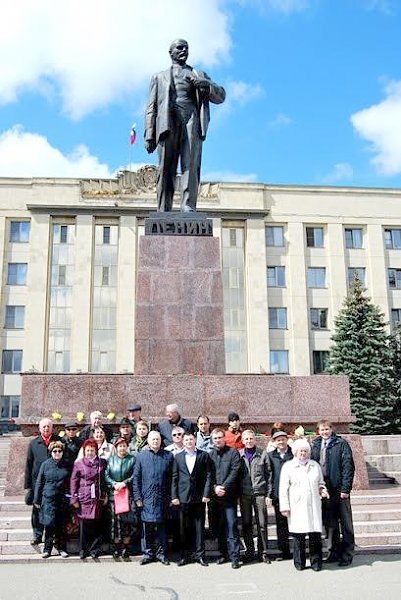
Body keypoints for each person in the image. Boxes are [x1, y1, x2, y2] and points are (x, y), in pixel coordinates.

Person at [144, 38, 226, 212]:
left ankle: (188, 206)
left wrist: (208, 86)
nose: (184, 51)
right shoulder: (159, 77)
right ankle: (163, 208)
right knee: (166, 167)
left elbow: (221, 96)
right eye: (179, 48)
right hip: (167, 122)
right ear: (171, 52)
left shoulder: (199, 74)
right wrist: (149, 135)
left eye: (186, 48)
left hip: (191, 120)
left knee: (191, 164)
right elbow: (151, 107)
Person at [279, 438, 329, 572]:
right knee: (298, 536)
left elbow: (320, 482)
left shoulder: (315, 465)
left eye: (306, 451)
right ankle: (299, 562)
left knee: (315, 536)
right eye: (301, 451)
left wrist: (322, 489)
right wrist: (284, 506)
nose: (303, 453)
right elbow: (283, 488)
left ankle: (316, 562)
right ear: (295, 452)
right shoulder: (288, 466)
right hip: (297, 506)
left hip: (313, 504)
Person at [311, 420, 355, 567]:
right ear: (318, 431)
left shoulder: (340, 444)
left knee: (346, 524)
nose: (325, 432)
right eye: (322, 430)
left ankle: (347, 555)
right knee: (330, 524)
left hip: (339, 490)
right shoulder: (315, 444)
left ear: (331, 429)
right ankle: (333, 552)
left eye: (327, 429)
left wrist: (345, 489)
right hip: (325, 491)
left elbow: (348, 466)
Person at [171, 432, 213, 567]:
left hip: (199, 497)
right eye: (186, 440)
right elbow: (175, 478)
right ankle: (185, 555)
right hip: (183, 497)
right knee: (184, 528)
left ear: (195, 440)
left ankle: (200, 555)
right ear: (183, 442)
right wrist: (174, 496)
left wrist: (206, 494)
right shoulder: (178, 457)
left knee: (199, 527)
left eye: (191, 439)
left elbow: (208, 476)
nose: (189, 441)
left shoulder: (203, 455)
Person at [133, 431, 174, 565]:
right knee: (147, 527)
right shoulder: (141, 456)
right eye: (153, 439)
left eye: (157, 439)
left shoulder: (168, 456)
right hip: (146, 497)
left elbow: (173, 478)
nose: (155, 441)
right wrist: (138, 497)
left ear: (161, 441)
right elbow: (136, 478)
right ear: (148, 441)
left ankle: (162, 554)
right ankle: (148, 553)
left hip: (163, 497)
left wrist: (172, 497)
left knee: (162, 527)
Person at [209, 427, 241, 569]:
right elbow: (208, 474)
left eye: (220, 438)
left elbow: (235, 471)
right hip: (215, 497)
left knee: (232, 526)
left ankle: (235, 557)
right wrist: (215, 487)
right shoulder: (209, 455)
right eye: (215, 438)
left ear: (224, 438)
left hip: (229, 496)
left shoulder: (233, 453)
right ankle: (223, 554)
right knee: (219, 527)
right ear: (212, 440)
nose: (217, 440)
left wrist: (224, 487)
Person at [70, 439, 107, 559]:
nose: (90, 452)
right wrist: (74, 499)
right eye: (88, 450)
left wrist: (105, 494)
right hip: (84, 496)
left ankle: (95, 549)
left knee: (97, 523)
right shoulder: (79, 463)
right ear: (84, 451)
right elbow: (73, 481)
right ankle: (83, 549)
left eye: (92, 450)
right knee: (84, 523)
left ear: (96, 451)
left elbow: (105, 480)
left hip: (97, 496)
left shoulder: (102, 462)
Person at [24, 417, 58, 545]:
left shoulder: (57, 441)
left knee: (51, 510)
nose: (46, 428)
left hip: (52, 483)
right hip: (37, 483)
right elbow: (29, 464)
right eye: (44, 426)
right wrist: (28, 485)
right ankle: (37, 535)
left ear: (52, 428)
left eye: (48, 426)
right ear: (39, 429)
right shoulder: (34, 443)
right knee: (37, 509)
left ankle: (52, 537)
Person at [239, 429, 271, 563]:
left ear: (255, 439)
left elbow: (269, 475)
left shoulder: (262, 454)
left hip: (260, 493)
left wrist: (269, 494)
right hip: (245, 494)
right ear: (242, 441)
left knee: (262, 524)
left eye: (251, 438)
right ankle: (250, 551)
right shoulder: (239, 455)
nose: (249, 441)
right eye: (246, 439)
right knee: (247, 524)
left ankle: (263, 552)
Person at [33, 440, 70, 558]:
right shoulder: (45, 464)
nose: (57, 453)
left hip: (62, 499)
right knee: (49, 524)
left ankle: (61, 548)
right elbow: (39, 482)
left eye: (59, 451)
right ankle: (47, 549)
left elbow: (70, 482)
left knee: (61, 525)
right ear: (51, 452)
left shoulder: (67, 465)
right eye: (55, 451)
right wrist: (36, 500)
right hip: (48, 498)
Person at [105, 438, 136, 558]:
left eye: (124, 446)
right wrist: (114, 484)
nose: (122, 448)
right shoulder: (111, 460)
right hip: (115, 494)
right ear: (116, 447)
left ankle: (126, 547)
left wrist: (125, 483)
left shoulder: (132, 459)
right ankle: (116, 547)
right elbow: (106, 475)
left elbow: (135, 474)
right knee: (115, 522)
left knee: (127, 522)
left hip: (128, 494)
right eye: (120, 446)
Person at [267, 430, 293, 560]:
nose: (281, 442)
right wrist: (270, 494)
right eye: (278, 440)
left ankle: (299, 550)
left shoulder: (294, 453)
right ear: (274, 442)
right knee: (281, 524)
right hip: (278, 495)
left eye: (283, 439)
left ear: (287, 439)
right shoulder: (270, 455)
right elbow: (269, 476)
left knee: (295, 523)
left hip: (294, 494)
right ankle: (284, 552)